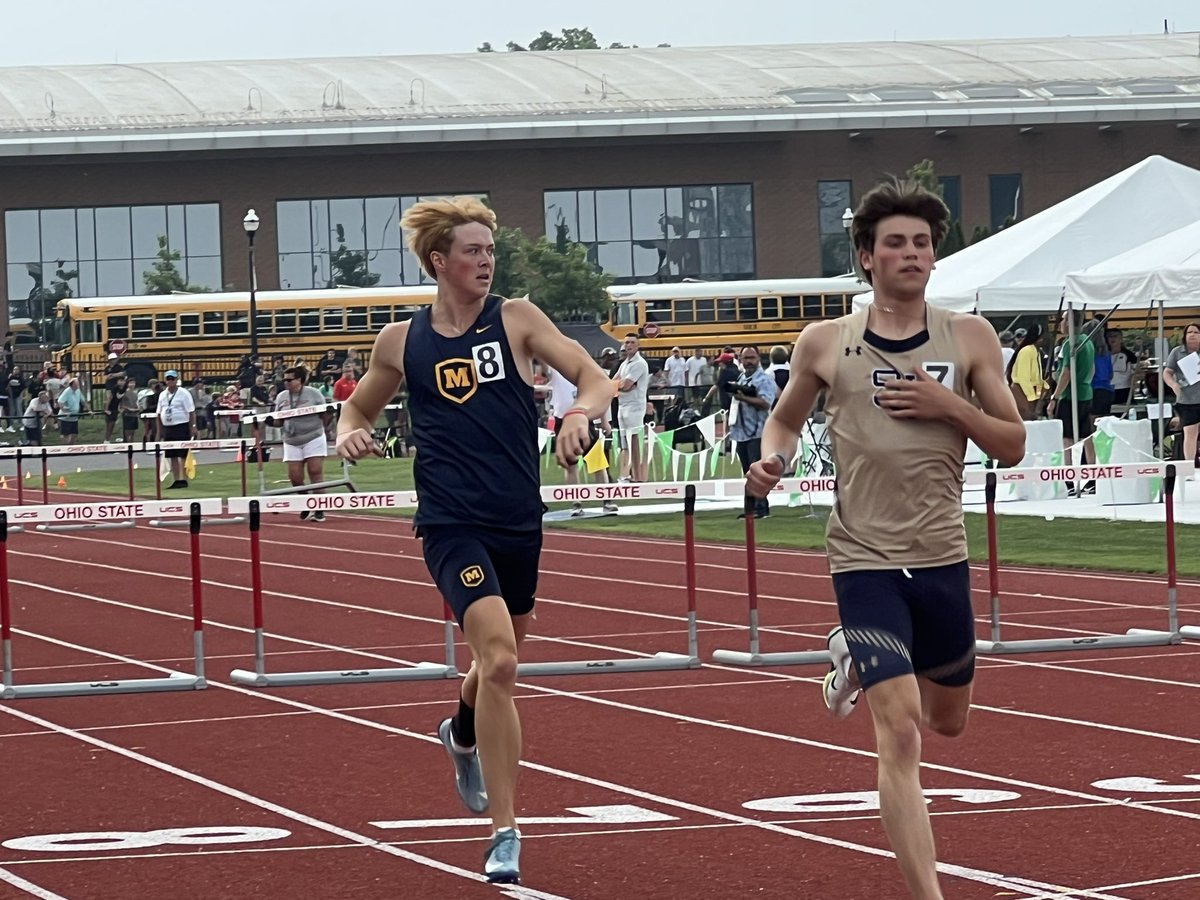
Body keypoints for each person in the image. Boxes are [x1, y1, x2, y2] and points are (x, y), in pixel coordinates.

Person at [746, 179, 1024, 900]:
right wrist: (772, 457)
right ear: (866, 258)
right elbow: (784, 420)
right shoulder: (826, 341)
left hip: (941, 556)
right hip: (863, 559)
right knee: (900, 734)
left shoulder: (968, 338)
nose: (911, 254)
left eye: (922, 243)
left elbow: (1014, 444)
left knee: (948, 722)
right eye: (895, 243)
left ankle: (847, 661)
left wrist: (948, 405)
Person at [335, 196, 611, 886]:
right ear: (439, 261)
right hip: (451, 522)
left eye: (490, 252)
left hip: (518, 518)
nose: (486, 263)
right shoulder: (402, 341)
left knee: (501, 660)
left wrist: (579, 413)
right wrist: (348, 434)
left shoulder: (516, 319)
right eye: (473, 252)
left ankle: (460, 732)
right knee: (501, 662)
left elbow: (596, 375)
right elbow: (356, 407)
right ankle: (505, 833)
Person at [546, 357, 615, 517]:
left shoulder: (584, 372)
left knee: (598, 463)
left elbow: (598, 395)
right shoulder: (555, 370)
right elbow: (542, 366)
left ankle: (607, 501)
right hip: (563, 420)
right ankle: (576, 503)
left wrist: (604, 422)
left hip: (585, 419)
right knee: (571, 465)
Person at [1045, 309, 1095, 495]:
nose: (1060, 324)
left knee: (1067, 438)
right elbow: (1092, 369)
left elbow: (1065, 372)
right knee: (1087, 436)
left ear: (1068, 322)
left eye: (1063, 320)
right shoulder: (1088, 341)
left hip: (1070, 395)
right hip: (1086, 392)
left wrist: (1054, 397)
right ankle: (1093, 478)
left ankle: (1069, 481)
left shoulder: (1070, 344)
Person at [275, 365, 331, 521]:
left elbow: (325, 414)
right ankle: (307, 501)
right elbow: (278, 420)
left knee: (315, 471)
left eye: (290, 380)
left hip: (313, 436)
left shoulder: (314, 394)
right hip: (292, 439)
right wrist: (269, 422)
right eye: (284, 380)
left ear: (300, 380)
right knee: (295, 477)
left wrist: (326, 427)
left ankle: (320, 509)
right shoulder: (281, 397)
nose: (286, 382)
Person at [727, 346, 776, 518]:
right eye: (745, 358)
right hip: (741, 432)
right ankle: (750, 508)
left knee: (757, 473)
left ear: (758, 359)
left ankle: (761, 509)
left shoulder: (764, 379)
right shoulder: (742, 377)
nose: (748, 361)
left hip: (758, 432)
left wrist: (744, 398)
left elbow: (765, 403)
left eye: (751, 357)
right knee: (748, 472)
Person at [1162, 322, 1200, 473]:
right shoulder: (1177, 352)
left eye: (1196, 332)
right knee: (1190, 433)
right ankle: (1189, 466)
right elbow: (1167, 372)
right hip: (1187, 399)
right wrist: (1173, 385)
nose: (1192, 335)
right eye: (1189, 332)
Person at [614, 334, 650, 482]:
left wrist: (622, 385)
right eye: (627, 342)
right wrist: (621, 385)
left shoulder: (639, 363)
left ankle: (639, 476)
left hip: (634, 406)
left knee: (634, 441)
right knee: (624, 443)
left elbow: (626, 385)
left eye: (632, 342)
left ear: (637, 345)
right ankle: (626, 474)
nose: (628, 345)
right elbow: (615, 382)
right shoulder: (625, 364)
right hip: (622, 405)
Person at [157, 370, 197, 489]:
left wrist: (193, 426)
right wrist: (160, 431)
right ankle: (176, 479)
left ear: (176, 379)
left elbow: (191, 411)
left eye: (172, 378)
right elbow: (159, 413)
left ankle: (184, 479)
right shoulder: (162, 395)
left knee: (183, 453)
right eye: (168, 378)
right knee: (172, 454)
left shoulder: (184, 393)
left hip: (181, 425)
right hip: (168, 427)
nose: (170, 381)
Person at [1007, 324, 1047, 421]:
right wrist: (1032, 398)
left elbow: (1037, 379)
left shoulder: (1036, 352)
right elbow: (1022, 378)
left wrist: (1038, 395)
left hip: (1031, 392)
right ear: (1039, 338)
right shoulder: (1026, 351)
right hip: (1022, 391)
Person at [1107, 328, 1138, 405]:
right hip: (1108, 389)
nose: (1112, 338)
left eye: (1115, 336)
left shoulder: (1129, 355)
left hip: (1124, 389)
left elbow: (1137, 371)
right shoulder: (1103, 354)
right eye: (1110, 336)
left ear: (1121, 339)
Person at [56, 376, 87, 445]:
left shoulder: (78, 391)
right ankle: (66, 449)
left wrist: (89, 410)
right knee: (66, 434)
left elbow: (83, 401)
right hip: (66, 418)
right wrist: (65, 412)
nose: (78, 385)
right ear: (72, 384)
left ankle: (71, 447)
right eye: (76, 384)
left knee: (74, 434)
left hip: (74, 417)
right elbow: (60, 402)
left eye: (78, 384)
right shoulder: (67, 391)